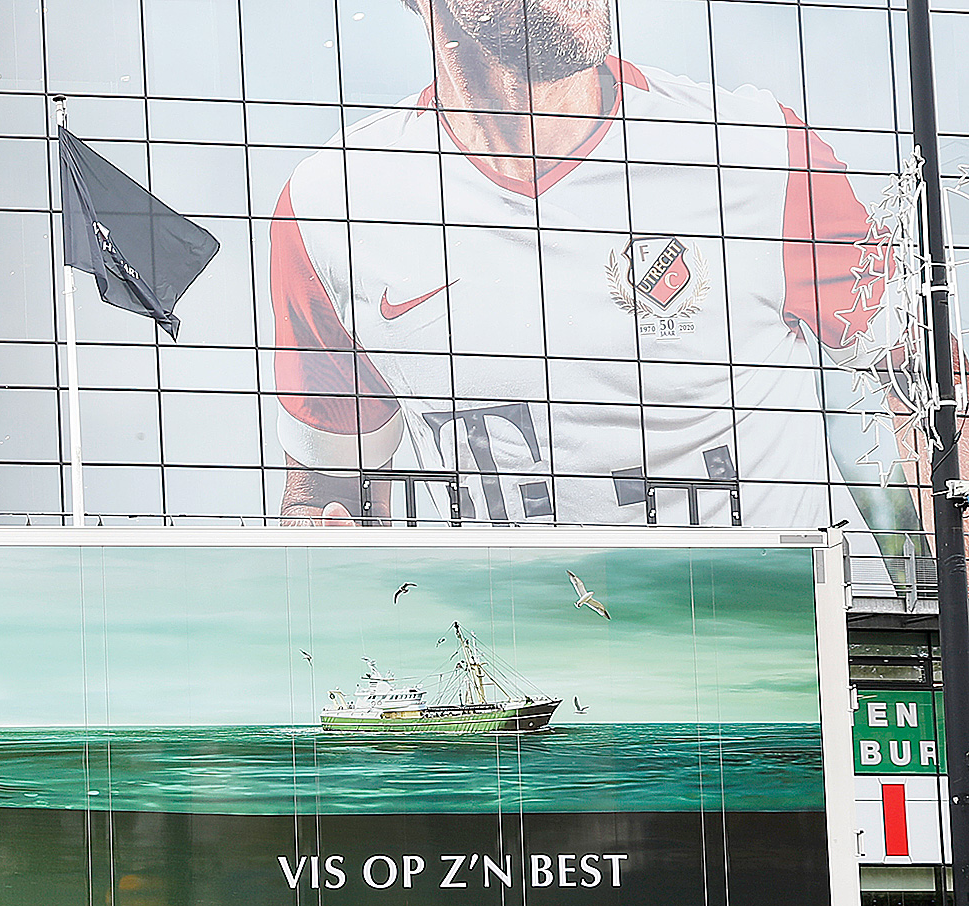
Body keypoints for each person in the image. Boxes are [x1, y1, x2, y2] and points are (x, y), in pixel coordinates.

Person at [269, 0, 898, 531]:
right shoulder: (330, 206)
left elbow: (935, 385)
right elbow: (330, 486)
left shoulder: (756, 150)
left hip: (788, 650)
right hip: (528, 654)